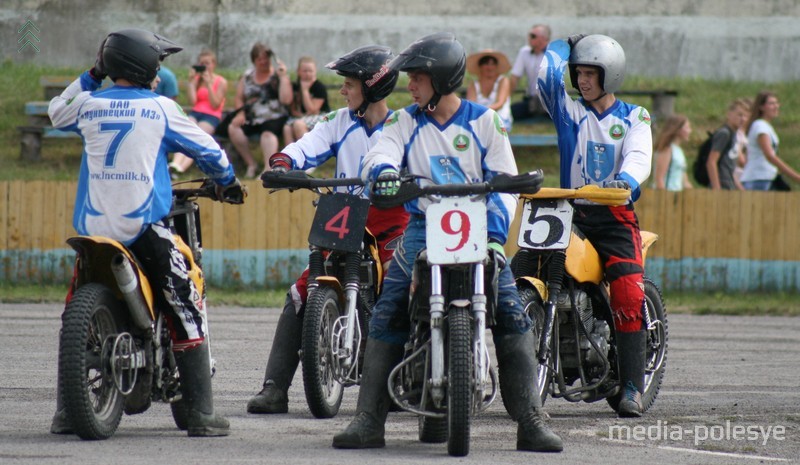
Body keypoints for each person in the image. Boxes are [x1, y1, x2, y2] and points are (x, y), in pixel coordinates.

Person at [332, 32, 563, 453]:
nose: (410, 86)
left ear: (439, 80)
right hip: (422, 225)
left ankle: (531, 420)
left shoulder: (485, 121)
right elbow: (380, 152)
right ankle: (368, 420)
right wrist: (382, 171)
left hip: (480, 228)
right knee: (389, 304)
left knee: (511, 309)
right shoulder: (404, 121)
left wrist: (495, 237)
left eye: (417, 78)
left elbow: (506, 184)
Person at [47, 28, 243, 437]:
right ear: (145, 66)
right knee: (186, 297)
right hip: (142, 230)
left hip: (93, 233)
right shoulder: (160, 107)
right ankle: (202, 413)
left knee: (72, 317)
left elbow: (55, 109)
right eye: (158, 63)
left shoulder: (86, 103)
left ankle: (67, 411)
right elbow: (208, 150)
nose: (160, 72)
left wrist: (92, 74)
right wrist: (228, 179)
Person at [246, 45, 409, 414]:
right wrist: (282, 162)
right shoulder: (338, 121)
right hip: (345, 215)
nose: (342, 90)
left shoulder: (404, 124)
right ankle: (275, 387)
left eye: (349, 84)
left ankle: (406, 377)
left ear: (372, 87)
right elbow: (307, 146)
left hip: (390, 221)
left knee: (404, 285)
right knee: (302, 289)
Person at [537, 34, 652, 417]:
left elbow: (639, 155)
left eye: (591, 73)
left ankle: (633, 385)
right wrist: (559, 46)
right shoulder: (569, 112)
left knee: (629, 293)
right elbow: (544, 80)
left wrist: (626, 182)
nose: (583, 81)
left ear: (610, 75)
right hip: (568, 210)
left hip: (614, 216)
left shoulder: (635, 116)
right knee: (522, 270)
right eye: (579, 73)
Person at [228, 43, 293, 178]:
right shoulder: (247, 76)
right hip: (253, 115)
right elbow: (239, 97)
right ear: (254, 61)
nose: (263, 62)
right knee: (233, 127)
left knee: (267, 133)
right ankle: (251, 164)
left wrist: (283, 77)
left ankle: (268, 168)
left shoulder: (278, 75)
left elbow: (286, 100)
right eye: (259, 59)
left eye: (265, 58)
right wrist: (240, 113)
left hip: (275, 115)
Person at [170, 49, 229, 175]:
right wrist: (191, 83)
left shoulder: (221, 82)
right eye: (202, 63)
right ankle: (175, 163)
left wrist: (209, 84)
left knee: (197, 137)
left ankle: (181, 168)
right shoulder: (197, 80)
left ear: (214, 64)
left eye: (207, 63)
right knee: (185, 134)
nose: (205, 66)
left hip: (211, 116)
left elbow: (215, 104)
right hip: (196, 112)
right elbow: (193, 102)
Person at [740, 91, 800, 190]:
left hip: (766, 177)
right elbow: (770, 156)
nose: (776, 106)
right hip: (759, 179)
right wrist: (796, 177)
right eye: (771, 103)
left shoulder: (765, 126)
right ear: (761, 107)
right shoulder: (760, 126)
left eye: (777, 103)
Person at [282, 56, 330, 145]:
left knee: (298, 124)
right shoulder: (295, 86)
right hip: (302, 117)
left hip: (321, 116)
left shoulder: (319, 87)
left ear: (315, 71)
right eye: (305, 71)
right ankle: (290, 156)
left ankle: (309, 154)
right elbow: (292, 109)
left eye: (310, 71)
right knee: (287, 128)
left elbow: (313, 110)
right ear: (298, 71)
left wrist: (305, 91)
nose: (308, 74)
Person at [509, 24, 551, 121]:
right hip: (531, 100)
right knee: (511, 111)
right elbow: (515, 77)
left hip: (550, 100)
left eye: (532, 36)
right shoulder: (524, 52)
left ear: (543, 38)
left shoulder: (553, 53)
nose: (529, 38)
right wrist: (506, 99)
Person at [707, 99, 750, 190]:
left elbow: (729, 168)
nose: (743, 119)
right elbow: (711, 161)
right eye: (740, 115)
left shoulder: (734, 134)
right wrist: (717, 188)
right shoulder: (724, 133)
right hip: (722, 185)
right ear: (729, 114)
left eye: (745, 116)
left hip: (729, 185)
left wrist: (740, 188)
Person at [465, 49, 513, 131]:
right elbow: (471, 105)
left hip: (501, 120)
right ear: (480, 66)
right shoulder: (474, 84)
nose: (490, 67)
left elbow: (500, 103)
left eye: (493, 64)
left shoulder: (503, 81)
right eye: (486, 64)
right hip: (479, 121)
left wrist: (482, 113)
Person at [652, 114, 693, 191]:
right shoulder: (666, 149)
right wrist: (664, 198)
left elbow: (684, 181)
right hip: (665, 197)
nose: (690, 131)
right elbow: (659, 178)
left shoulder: (679, 151)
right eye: (687, 127)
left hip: (676, 197)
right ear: (677, 129)